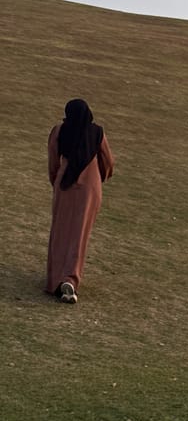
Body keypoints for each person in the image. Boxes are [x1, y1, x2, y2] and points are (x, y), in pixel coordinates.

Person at [45, 98, 115, 304]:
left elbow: (53, 161)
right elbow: (108, 162)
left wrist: (56, 181)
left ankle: (55, 279)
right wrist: (100, 176)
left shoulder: (59, 131)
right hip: (90, 187)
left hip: (65, 184)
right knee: (79, 234)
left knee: (60, 232)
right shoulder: (97, 133)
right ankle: (71, 279)